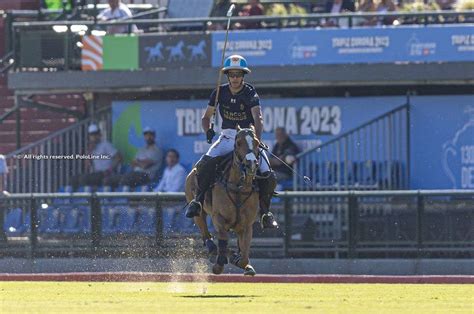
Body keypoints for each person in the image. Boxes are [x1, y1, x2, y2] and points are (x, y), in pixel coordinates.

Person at [185, 54, 278, 229]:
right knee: (204, 164)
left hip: (248, 137)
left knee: (268, 174)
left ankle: (265, 212)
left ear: (243, 75)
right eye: (232, 74)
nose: (235, 78)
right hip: (228, 136)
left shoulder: (250, 92)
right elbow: (206, 117)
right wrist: (208, 130)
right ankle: (197, 202)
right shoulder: (219, 92)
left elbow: (258, 118)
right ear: (227, 75)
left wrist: (256, 140)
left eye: (238, 74)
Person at [71, 124, 122, 190]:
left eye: (95, 134)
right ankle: (75, 199)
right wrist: (89, 152)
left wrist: (109, 170)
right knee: (74, 179)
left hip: (105, 173)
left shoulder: (105, 145)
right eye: (91, 135)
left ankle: (89, 198)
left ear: (99, 135)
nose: (94, 137)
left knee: (84, 179)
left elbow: (119, 158)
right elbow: (87, 165)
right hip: (96, 173)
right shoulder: (91, 148)